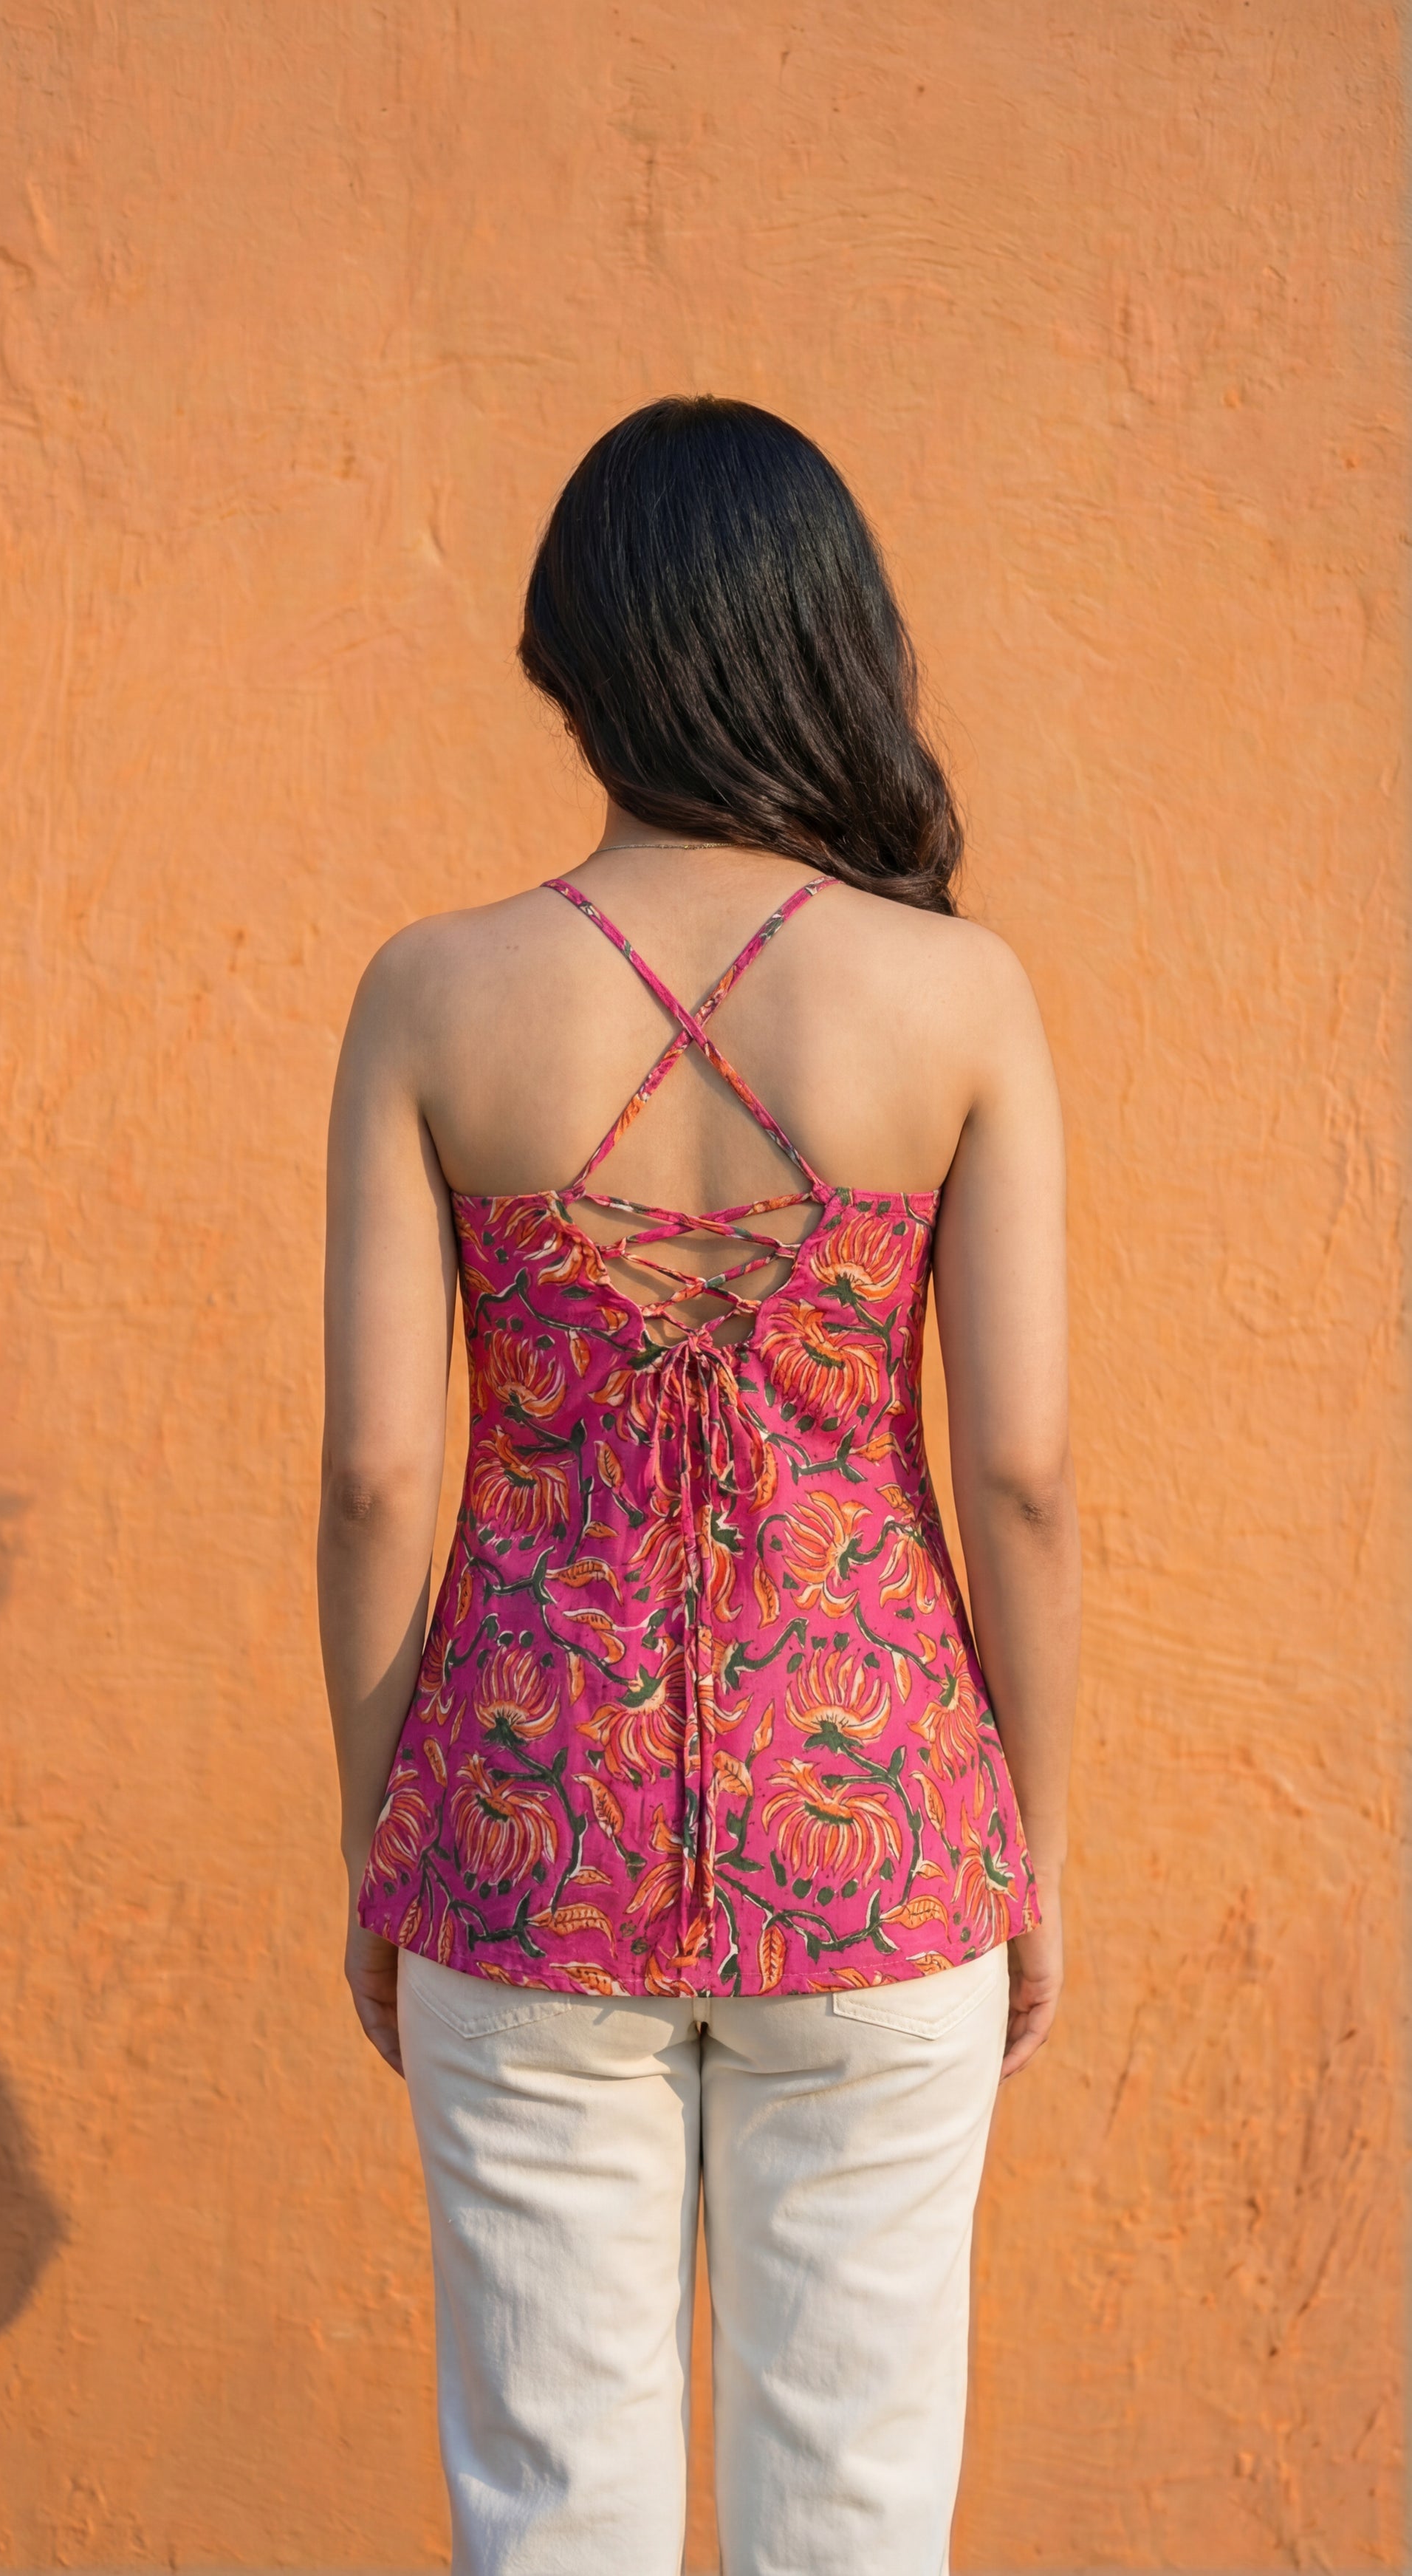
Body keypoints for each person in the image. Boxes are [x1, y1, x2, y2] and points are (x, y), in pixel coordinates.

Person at [318, 395, 1079, 2576]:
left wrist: (384, 1841)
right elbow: (1019, 1475)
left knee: (552, 2512)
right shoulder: (959, 997)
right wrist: (1038, 1849)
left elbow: (376, 1476)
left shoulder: (430, 996)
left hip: (520, 1840)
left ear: (578, 657)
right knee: (854, 2515)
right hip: (886, 1839)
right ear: (827, 640)